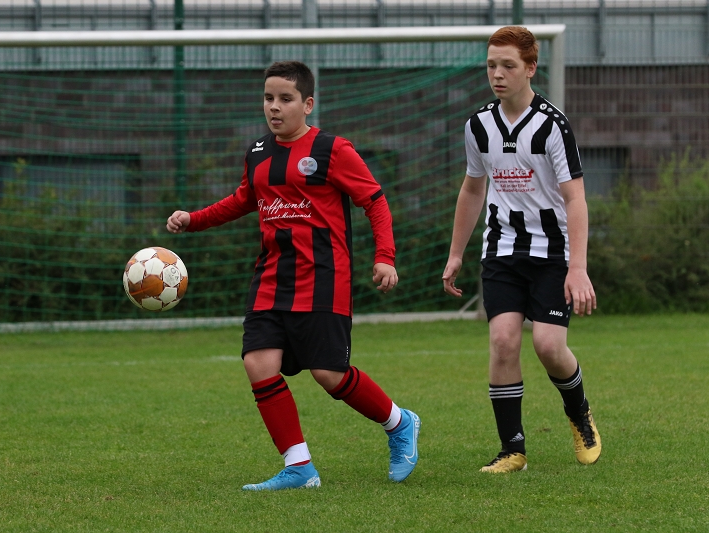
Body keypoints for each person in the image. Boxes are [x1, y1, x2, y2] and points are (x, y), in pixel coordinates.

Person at [166, 60, 420, 490]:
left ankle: (399, 423)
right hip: (271, 278)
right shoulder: (258, 152)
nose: (274, 107)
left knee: (329, 374)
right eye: (269, 98)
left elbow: (374, 201)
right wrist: (194, 219)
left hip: (324, 278)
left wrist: (385, 257)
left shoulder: (332, 150)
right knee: (258, 362)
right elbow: (243, 199)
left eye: (285, 99)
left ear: (308, 104)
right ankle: (299, 466)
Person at [441, 26, 601, 473]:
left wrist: (578, 268)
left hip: (552, 254)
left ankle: (579, 413)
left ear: (530, 68)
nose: (497, 74)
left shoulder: (553, 125)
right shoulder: (478, 125)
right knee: (503, 340)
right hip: (502, 250)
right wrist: (456, 253)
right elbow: (473, 189)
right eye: (492, 65)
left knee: (549, 346)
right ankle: (512, 449)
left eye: (508, 65)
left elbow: (575, 198)